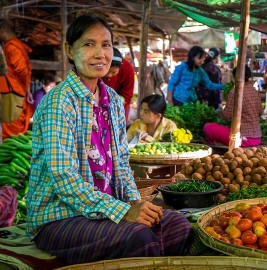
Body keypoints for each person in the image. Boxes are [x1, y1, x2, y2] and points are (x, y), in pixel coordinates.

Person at [26, 15, 194, 265]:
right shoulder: (59, 103)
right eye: (88, 44)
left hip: (106, 212)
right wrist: (124, 211)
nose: (100, 54)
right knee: (140, 238)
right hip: (59, 217)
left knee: (178, 226)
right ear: (69, 50)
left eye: (106, 45)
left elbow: (122, 164)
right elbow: (64, 178)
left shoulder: (113, 102)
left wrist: (136, 203)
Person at [203, 66, 262, 147]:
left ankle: (215, 145)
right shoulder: (255, 91)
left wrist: (218, 112)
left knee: (208, 127)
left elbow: (226, 116)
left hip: (241, 139)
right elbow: (260, 112)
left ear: (235, 77)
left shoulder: (235, 92)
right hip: (257, 138)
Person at [0, 19, 33, 139]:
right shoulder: (14, 46)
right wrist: (28, 89)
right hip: (13, 93)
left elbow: (23, 71)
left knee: (12, 135)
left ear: (3, 30)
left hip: (12, 95)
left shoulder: (12, 48)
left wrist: (27, 89)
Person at [102, 47, 135, 124]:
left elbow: (127, 95)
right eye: (106, 72)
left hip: (120, 106)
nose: (109, 75)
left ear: (120, 67)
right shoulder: (98, 68)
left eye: (114, 72)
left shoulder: (128, 70)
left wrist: (112, 103)